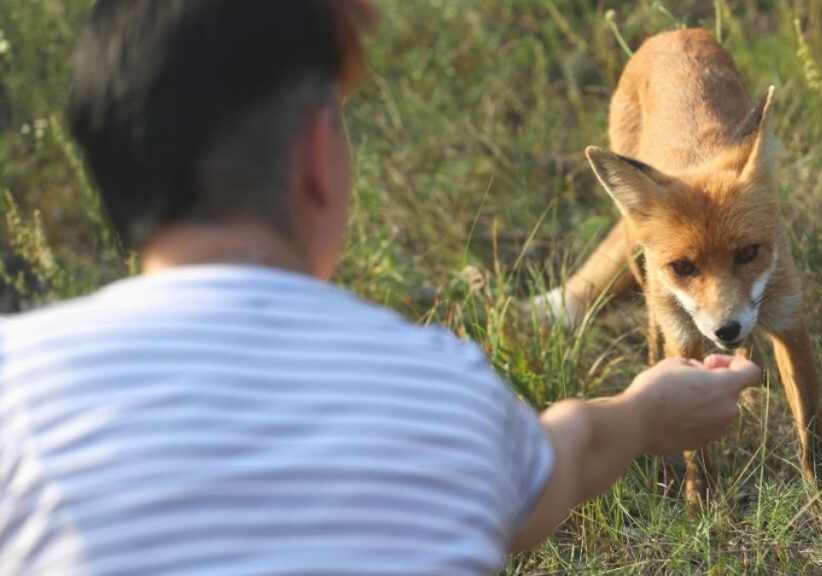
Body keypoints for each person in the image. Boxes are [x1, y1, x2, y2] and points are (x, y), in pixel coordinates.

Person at [0, 1, 762, 574]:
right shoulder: (444, 393)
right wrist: (642, 411)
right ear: (316, 159)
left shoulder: (14, 388)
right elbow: (566, 455)